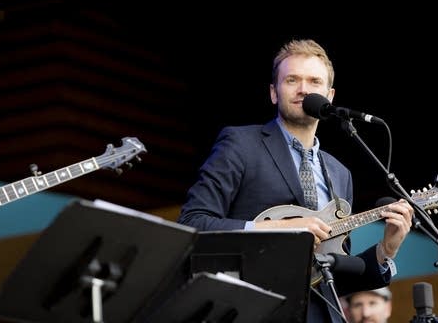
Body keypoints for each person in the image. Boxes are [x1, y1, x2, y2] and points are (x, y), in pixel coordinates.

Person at [177, 38, 413, 323]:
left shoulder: (340, 173)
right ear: (274, 92)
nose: (304, 89)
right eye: (292, 80)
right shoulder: (240, 144)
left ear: (330, 95)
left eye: (314, 81)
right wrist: (279, 229)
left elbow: (332, 276)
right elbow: (193, 223)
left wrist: (385, 250)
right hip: (252, 311)